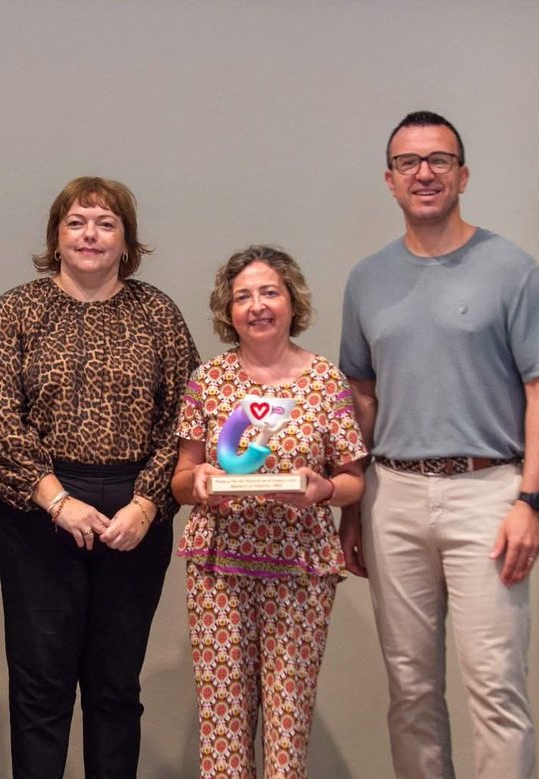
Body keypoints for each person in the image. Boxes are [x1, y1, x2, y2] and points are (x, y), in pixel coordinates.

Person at [339, 111, 539, 778]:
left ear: (463, 174)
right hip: (394, 496)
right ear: (390, 180)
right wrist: (354, 506)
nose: (425, 173)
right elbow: (361, 394)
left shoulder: (513, 269)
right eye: (409, 162)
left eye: (439, 160)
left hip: (489, 494)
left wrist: (531, 499)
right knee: (410, 691)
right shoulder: (367, 279)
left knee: (496, 687)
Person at [0, 176, 198, 778]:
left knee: (115, 685)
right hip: (37, 512)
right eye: (76, 222)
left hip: (133, 513)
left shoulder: (157, 312)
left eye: (105, 223)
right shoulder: (18, 309)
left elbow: (187, 418)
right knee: (41, 687)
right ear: (56, 236)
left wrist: (147, 505)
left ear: (127, 240)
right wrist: (56, 501)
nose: (90, 234)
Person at [171, 245, 367, 778]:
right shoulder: (207, 381)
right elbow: (182, 480)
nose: (257, 306)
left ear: (291, 302)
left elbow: (354, 481)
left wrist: (323, 488)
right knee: (223, 727)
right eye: (243, 296)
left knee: (288, 725)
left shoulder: (326, 381)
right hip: (219, 570)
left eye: (269, 292)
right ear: (228, 311)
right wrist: (201, 481)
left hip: (300, 572)